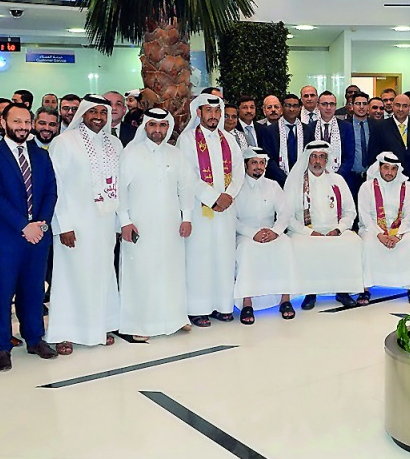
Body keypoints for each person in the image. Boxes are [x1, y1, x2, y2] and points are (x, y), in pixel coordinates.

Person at [0, 104, 59, 371]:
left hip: (37, 237)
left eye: (26, 122)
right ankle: (2, 346)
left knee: (33, 290)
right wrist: (24, 226)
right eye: (17, 121)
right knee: (1, 293)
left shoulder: (41, 155)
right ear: (3, 122)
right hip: (5, 238)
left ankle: (35, 338)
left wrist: (41, 224)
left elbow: (51, 191)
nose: (23, 127)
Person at [44, 95, 121, 354]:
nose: (98, 117)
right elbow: (56, 186)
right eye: (93, 112)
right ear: (83, 114)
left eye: (103, 112)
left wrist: (118, 223)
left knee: (102, 274)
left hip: (105, 223)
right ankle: (65, 332)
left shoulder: (115, 143)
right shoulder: (64, 142)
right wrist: (63, 225)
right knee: (70, 278)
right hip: (74, 224)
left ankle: (100, 326)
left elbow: (119, 185)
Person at [116, 109, 193, 339]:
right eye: (152, 125)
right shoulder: (131, 153)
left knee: (171, 271)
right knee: (141, 273)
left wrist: (187, 218)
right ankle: (139, 325)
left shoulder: (176, 154)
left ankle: (175, 318)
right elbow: (120, 190)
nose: (157, 130)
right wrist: (125, 221)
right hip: (140, 224)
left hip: (170, 225)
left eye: (162, 125)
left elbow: (186, 187)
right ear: (145, 127)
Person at [177, 94, 244, 325]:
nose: (213, 116)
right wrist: (213, 197)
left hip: (226, 209)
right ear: (199, 113)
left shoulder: (229, 139)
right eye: (208, 111)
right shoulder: (187, 140)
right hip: (199, 209)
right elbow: (188, 176)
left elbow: (239, 171)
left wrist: (228, 195)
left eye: (217, 111)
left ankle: (222, 305)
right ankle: (198, 308)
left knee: (224, 256)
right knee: (200, 256)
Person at [285, 140, 363, 309]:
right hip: (305, 231)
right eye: (314, 156)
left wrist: (339, 229)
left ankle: (343, 290)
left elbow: (350, 211)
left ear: (327, 160)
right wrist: (309, 233)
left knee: (353, 242)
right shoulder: (295, 183)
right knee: (299, 245)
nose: (317, 161)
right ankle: (310, 292)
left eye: (321, 157)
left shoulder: (337, 180)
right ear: (307, 158)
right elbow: (287, 217)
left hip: (335, 229)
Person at [234, 147, 297, 321]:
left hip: (271, 232)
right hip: (246, 235)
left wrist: (275, 232)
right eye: (254, 162)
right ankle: (247, 302)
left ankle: (285, 300)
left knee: (285, 244)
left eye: (262, 163)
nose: (258, 167)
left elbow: (285, 213)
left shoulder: (273, 185)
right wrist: (252, 233)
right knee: (246, 250)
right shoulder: (236, 188)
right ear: (245, 165)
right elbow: (232, 219)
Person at [358, 152, 410, 305]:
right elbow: (364, 216)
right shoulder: (367, 187)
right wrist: (380, 234)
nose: (389, 172)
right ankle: (365, 289)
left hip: (400, 230)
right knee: (367, 243)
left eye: (393, 169)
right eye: (386, 168)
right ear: (379, 167)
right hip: (372, 229)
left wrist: (398, 235)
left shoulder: (406, 186)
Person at [368, 92, 410, 207]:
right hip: (389, 181)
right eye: (397, 105)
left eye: (405, 106)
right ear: (392, 106)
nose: (401, 109)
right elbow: (373, 156)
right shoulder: (379, 127)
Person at [259, 93, 313, 186]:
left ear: (300, 108)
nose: (291, 109)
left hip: (302, 181)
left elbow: (310, 155)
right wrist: (286, 179)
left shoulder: (307, 130)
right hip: (277, 182)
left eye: (295, 106)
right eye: (288, 105)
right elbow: (268, 159)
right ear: (281, 108)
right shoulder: (270, 131)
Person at [310, 91, 354, 180]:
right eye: (324, 104)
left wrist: (336, 177)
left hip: (341, 178)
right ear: (318, 106)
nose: (328, 108)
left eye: (332, 104)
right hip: (315, 177)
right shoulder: (310, 127)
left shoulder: (346, 127)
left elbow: (349, 157)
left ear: (335, 106)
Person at [346, 92, 373, 193]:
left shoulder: (376, 126)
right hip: (350, 176)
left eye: (364, 104)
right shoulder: (345, 125)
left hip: (371, 176)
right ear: (352, 106)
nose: (361, 107)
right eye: (358, 104)